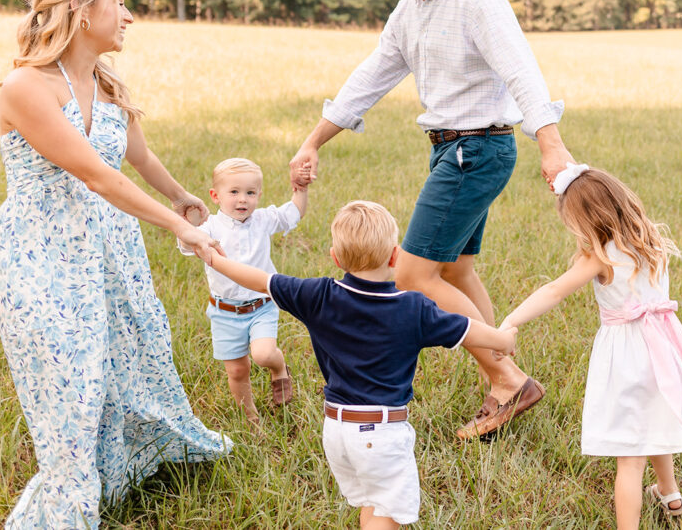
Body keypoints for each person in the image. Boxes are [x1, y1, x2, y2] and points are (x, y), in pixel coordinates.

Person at [288, 0, 573, 439]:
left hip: (478, 150)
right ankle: (503, 376)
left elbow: (522, 72)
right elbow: (369, 79)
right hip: (451, 150)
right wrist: (313, 140)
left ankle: (509, 380)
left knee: (413, 275)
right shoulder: (407, 13)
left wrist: (551, 145)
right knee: (456, 270)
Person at [0, 0, 231, 528]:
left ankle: (127, 464)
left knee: (129, 353)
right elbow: (97, 175)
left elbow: (136, 156)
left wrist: (180, 198)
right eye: (118, 2)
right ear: (80, 8)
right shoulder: (28, 87)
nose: (129, 15)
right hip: (43, 250)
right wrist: (177, 228)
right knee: (70, 370)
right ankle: (71, 494)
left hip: (108, 245)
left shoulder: (105, 81)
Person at [206, 200, 518, 529]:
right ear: (395, 257)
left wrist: (213, 258)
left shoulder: (318, 295)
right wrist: (503, 340)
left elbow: (260, 280)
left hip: (336, 431)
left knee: (372, 503)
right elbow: (467, 328)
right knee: (387, 514)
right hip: (380, 433)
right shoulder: (414, 308)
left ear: (336, 258)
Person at [498, 165, 682, 529]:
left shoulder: (601, 257)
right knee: (656, 422)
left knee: (629, 458)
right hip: (664, 349)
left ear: (586, 221)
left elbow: (554, 290)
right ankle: (670, 495)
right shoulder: (652, 239)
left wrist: (511, 320)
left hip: (627, 358)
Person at [178, 157, 310, 425]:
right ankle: (251, 421)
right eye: (234, 192)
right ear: (215, 196)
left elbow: (293, 213)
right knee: (237, 370)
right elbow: (185, 245)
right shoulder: (210, 228)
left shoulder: (262, 219)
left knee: (263, 354)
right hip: (224, 311)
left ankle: (279, 367)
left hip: (261, 306)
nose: (243, 200)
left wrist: (301, 189)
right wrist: (186, 227)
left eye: (250, 193)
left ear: (259, 195)